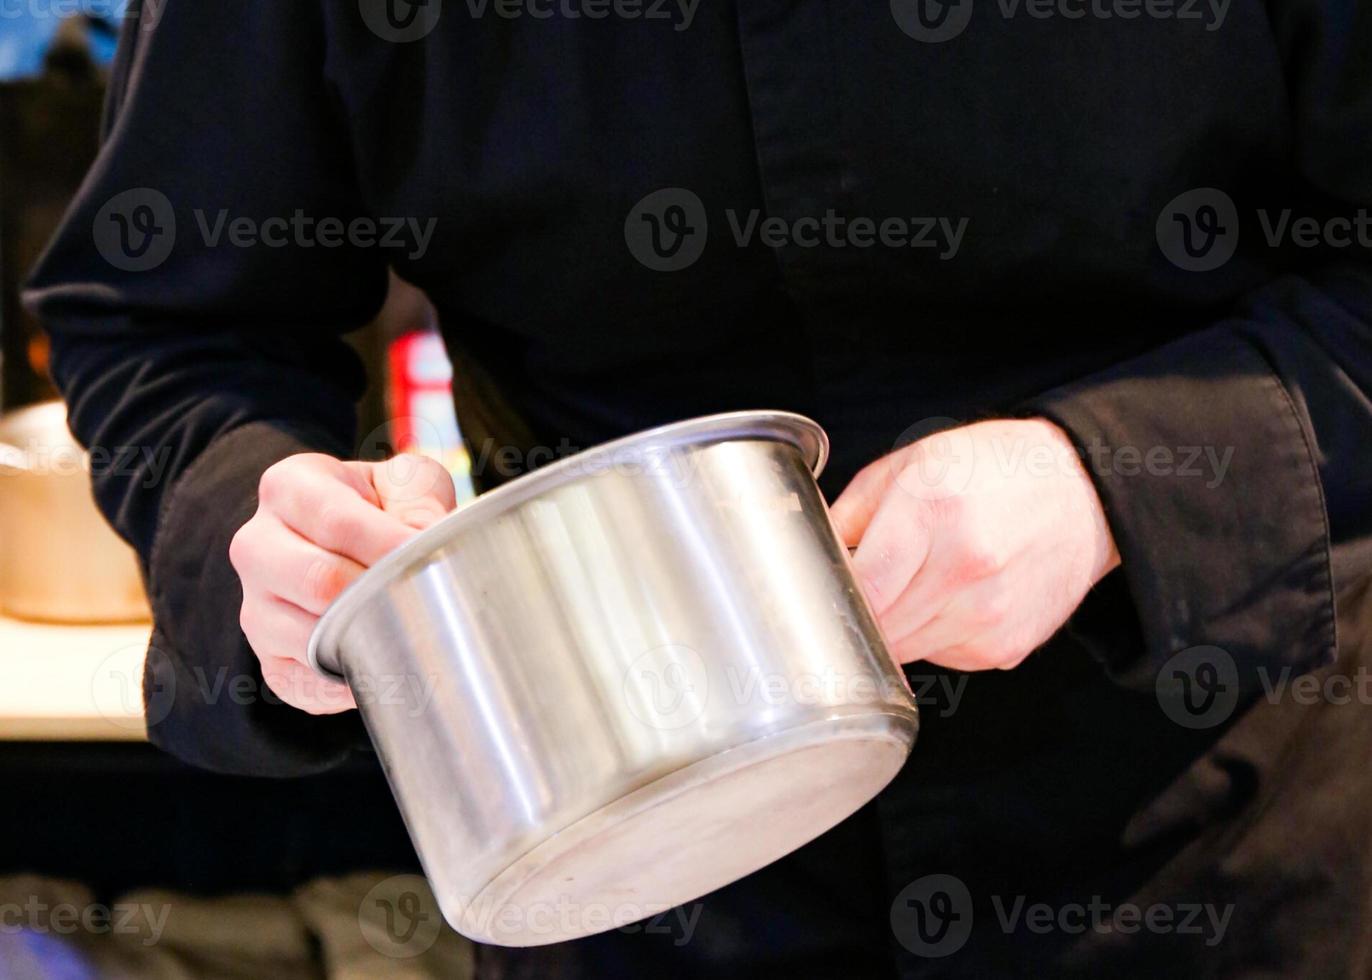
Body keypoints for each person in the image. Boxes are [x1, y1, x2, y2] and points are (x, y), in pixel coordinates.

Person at [24, 0, 1372, 975]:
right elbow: (168, 313)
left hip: (1221, 816)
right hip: (620, 841)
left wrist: (1112, 478)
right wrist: (261, 517)